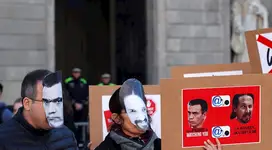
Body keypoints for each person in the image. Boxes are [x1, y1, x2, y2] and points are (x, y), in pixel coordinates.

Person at [89, 78, 222, 150]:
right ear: (117, 118)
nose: (141, 117)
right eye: (132, 111)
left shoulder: (160, 145)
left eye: (143, 109)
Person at [0, 69, 78, 149]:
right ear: (27, 103)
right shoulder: (3, 139)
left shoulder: (66, 137)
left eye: (58, 101)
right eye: (47, 102)